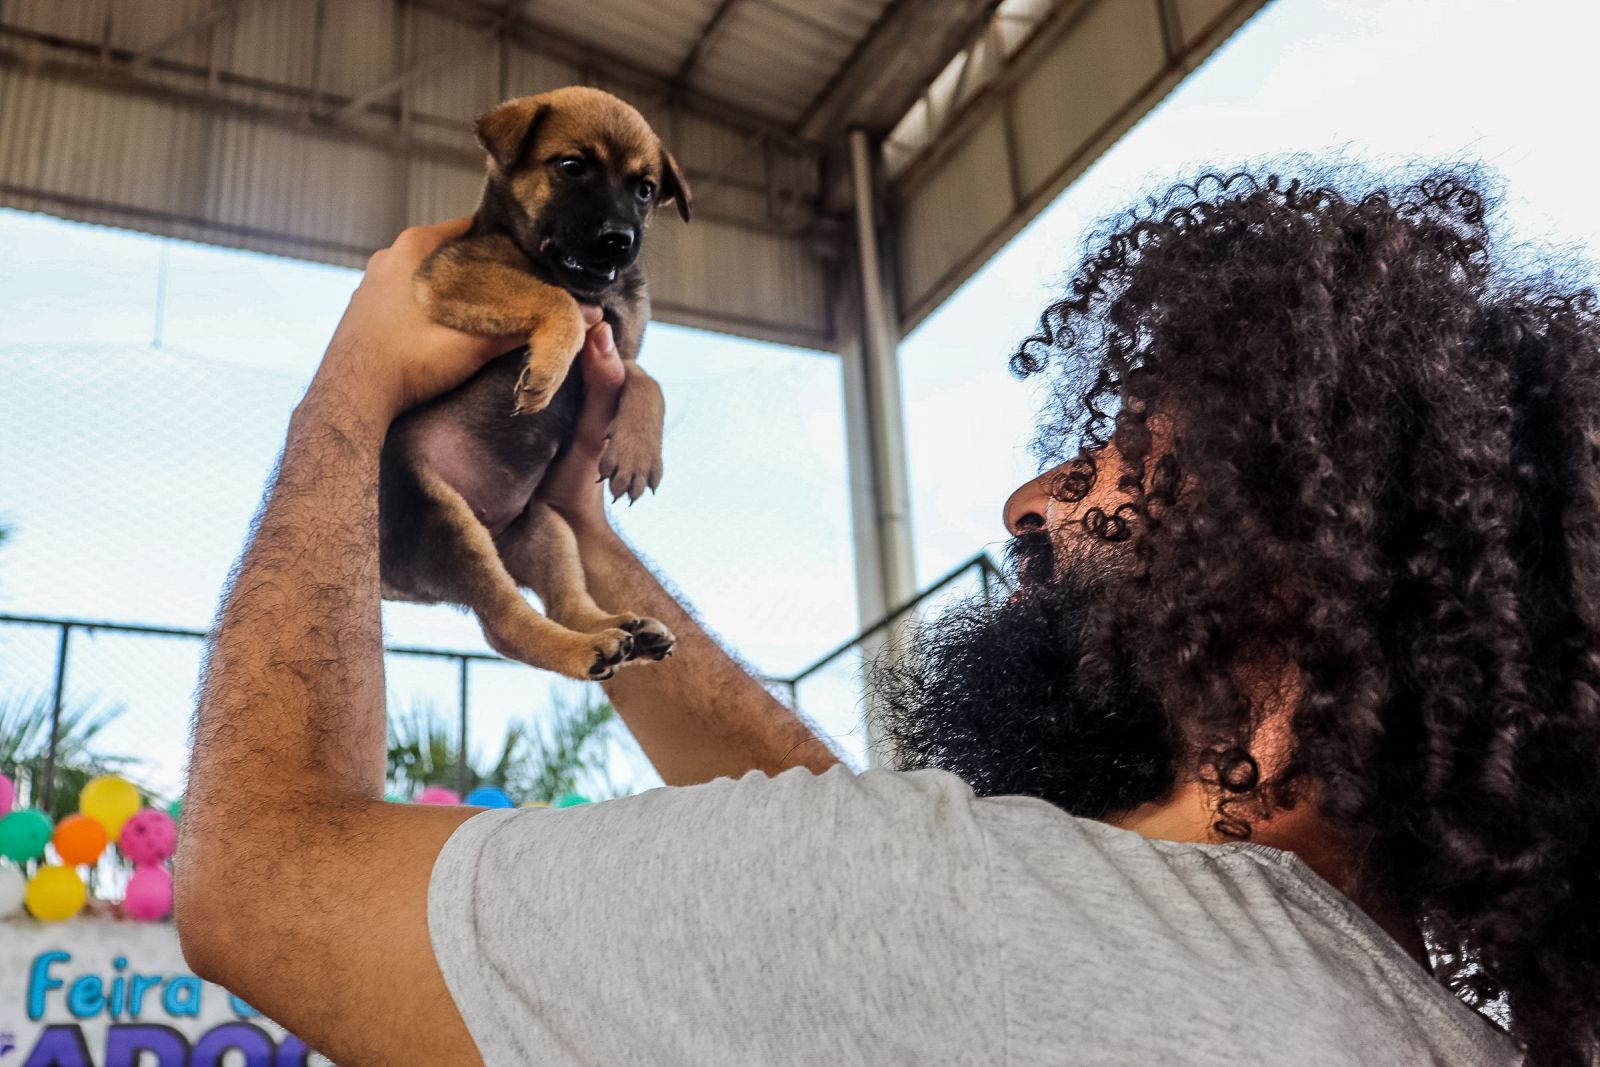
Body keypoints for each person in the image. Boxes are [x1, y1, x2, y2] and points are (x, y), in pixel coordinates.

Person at [175, 169, 1600, 1067]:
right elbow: (861, 913)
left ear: (1291, 571)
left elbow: (260, 878)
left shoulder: (981, 925)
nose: (1028, 502)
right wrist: (581, 560)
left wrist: (352, 386)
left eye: (1120, 453)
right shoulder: (1417, 1027)